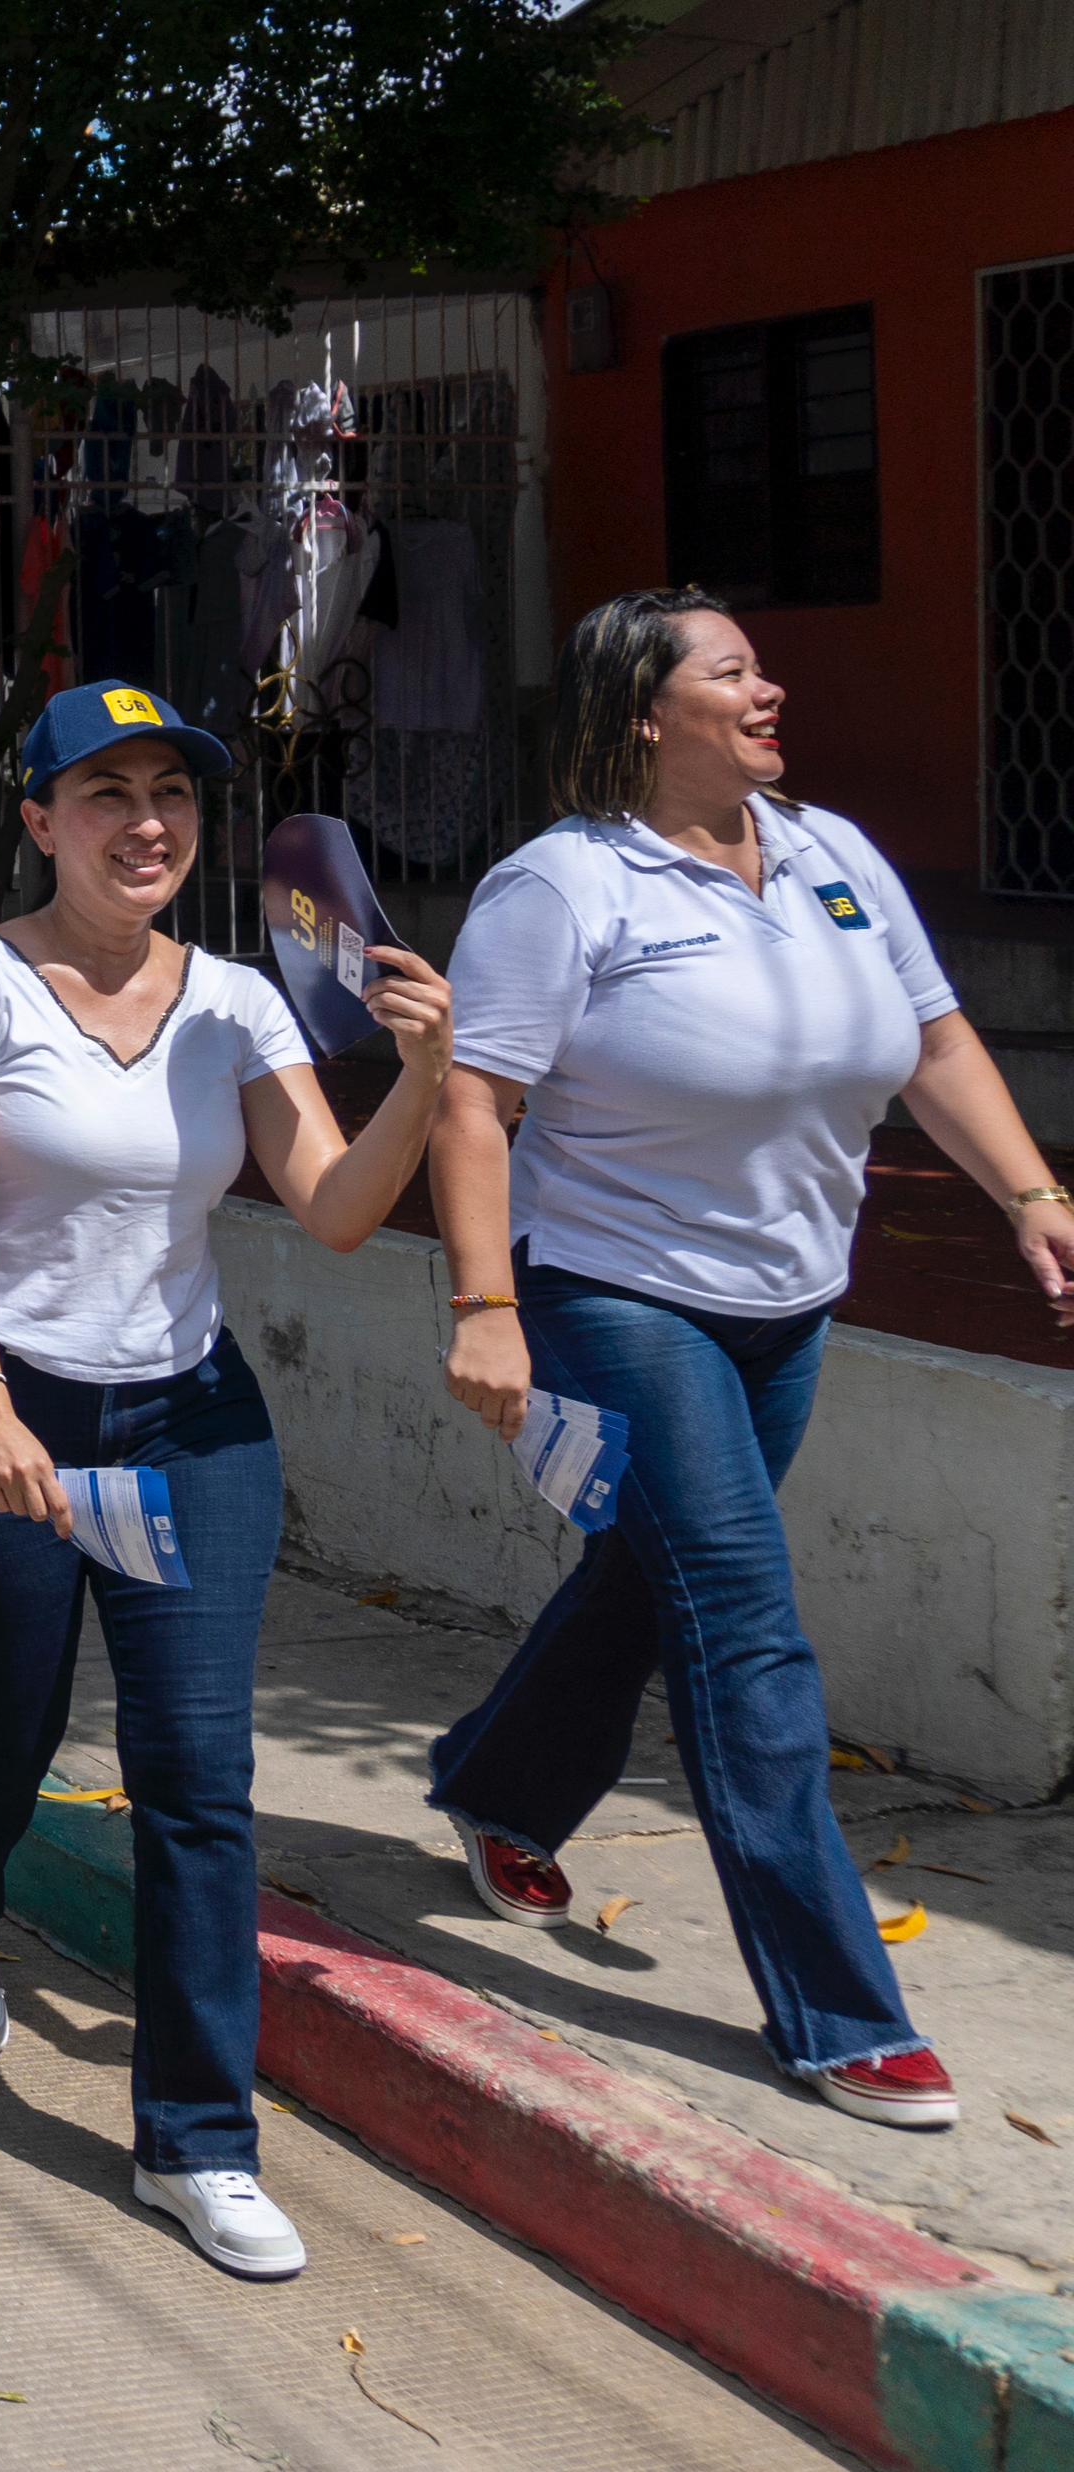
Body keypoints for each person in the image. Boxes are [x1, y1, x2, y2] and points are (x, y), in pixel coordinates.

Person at [427, 591, 1074, 2132]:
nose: (769, 690)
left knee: (660, 1582)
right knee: (747, 1624)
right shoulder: (563, 888)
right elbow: (474, 1106)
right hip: (617, 1296)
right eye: (733, 675)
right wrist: (484, 1304)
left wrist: (1036, 1199)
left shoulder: (835, 855)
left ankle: (501, 1786)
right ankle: (840, 2014)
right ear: (649, 713)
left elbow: (935, 1044)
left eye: (759, 669)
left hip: (789, 1299)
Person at [0, 680, 455, 2280]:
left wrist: (427, 1079)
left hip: (188, 1425)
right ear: (41, 819)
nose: (146, 824)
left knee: (199, 1780)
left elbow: (330, 1210)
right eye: (105, 795)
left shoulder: (242, 1005)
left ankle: (196, 2142)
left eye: (172, 796)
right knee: (13, 1718)